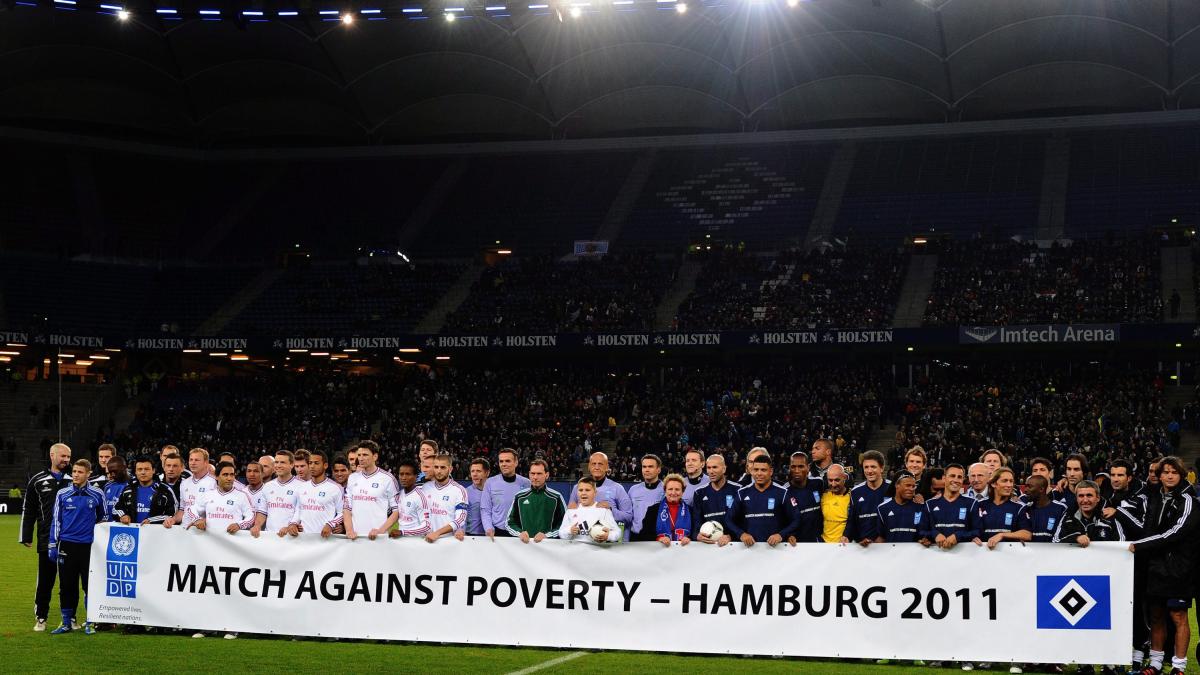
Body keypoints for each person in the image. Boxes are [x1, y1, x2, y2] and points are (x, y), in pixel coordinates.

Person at [1129, 456, 1197, 675]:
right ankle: (1156, 663)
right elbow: (1148, 527)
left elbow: (1174, 533)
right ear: (1159, 475)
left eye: (1174, 472)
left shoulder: (1188, 500)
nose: (1169, 476)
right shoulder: (1153, 497)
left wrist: (1139, 545)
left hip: (1178, 568)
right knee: (1156, 615)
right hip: (1154, 566)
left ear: (1181, 475)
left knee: (1178, 616)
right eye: (1165, 472)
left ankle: (1178, 666)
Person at [183, 461, 254, 641]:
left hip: (233, 550)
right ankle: (208, 626)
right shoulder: (208, 495)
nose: (230, 478)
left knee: (231, 588)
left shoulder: (241, 496)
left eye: (232, 475)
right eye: (225, 475)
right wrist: (199, 519)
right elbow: (191, 510)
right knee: (210, 588)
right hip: (210, 550)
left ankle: (232, 627)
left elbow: (251, 517)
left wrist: (239, 524)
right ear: (217, 476)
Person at [48, 459, 106, 635]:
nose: (75, 475)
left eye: (80, 472)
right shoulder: (62, 494)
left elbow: (103, 519)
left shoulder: (97, 494)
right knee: (67, 585)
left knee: (90, 586)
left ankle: (90, 621)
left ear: (88, 474)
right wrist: (52, 543)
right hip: (67, 544)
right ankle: (67, 621)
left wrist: (99, 541)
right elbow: (56, 520)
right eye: (74, 471)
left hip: (89, 547)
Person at [20, 442, 71, 632]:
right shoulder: (37, 480)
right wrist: (26, 534)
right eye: (63, 456)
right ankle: (41, 617)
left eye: (68, 457)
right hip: (46, 539)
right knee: (45, 582)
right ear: (52, 455)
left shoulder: (74, 479)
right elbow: (29, 509)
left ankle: (70, 617)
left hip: (70, 540)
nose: (66, 460)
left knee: (69, 582)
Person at [728, 453, 795, 547]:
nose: (759, 473)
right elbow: (728, 519)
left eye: (763, 470)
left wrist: (781, 535)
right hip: (749, 550)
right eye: (756, 470)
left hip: (776, 550)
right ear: (751, 471)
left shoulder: (783, 493)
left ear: (771, 471)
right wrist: (741, 534)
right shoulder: (742, 493)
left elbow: (796, 519)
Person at [344, 440, 399, 541]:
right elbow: (347, 508)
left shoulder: (387, 478)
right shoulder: (352, 478)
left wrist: (380, 531)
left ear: (375, 456)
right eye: (359, 455)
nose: (361, 458)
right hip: (355, 538)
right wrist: (349, 530)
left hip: (378, 538)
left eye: (365, 455)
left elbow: (396, 511)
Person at [568, 452, 633, 537]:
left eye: (600, 464)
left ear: (607, 467)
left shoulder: (617, 488)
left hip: (609, 542)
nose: (597, 467)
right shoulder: (577, 488)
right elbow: (569, 517)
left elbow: (628, 517)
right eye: (593, 464)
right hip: (583, 541)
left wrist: (611, 510)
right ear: (589, 467)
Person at [506, 459, 566, 543]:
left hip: (548, 548)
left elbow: (565, 524)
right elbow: (509, 523)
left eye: (539, 474)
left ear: (547, 475)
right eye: (532, 473)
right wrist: (520, 533)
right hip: (524, 547)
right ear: (529, 475)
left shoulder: (556, 497)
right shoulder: (519, 497)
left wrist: (547, 535)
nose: (535, 477)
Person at [1053, 480, 1125, 545]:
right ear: (1076, 499)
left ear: (1098, 498)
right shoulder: (1068, 516)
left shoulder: (1109, 517)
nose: (1085, 500)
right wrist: (1076, 538)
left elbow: (1122, 543)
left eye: (1089, 495)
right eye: (1081, 496)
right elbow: (1055, 542)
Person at [481, 448, 530, 540]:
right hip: (497, 532)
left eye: (508, 461)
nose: (504, 464)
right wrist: (488, 527)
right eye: (501, 461)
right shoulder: (490, 482)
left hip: (520, 533)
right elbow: (485, 509)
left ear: (516, 463)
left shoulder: (527, 483)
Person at [691, 453, 739, 545]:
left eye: (715, 467)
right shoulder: (699, 493)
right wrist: (697, 535)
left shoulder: (737, 490)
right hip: (708, 545)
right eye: (708, 468)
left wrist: (731, 536)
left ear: (724, 469)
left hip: (733, 545)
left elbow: (743, 520)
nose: (711, 471)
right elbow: (697, 521)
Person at [293, 450, 342, 538]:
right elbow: (299, 510)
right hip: (303, 537)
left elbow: (342, 513)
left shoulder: (335, 488)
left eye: (316, 463)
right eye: (310, 463)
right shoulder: (301, 487)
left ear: (325, 465)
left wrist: (331, 524)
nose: (312, 466)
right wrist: (293, 523)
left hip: (325, 538)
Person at [845, 450, 890, 546]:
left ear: (882, 468)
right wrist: (846, 536)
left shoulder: (893, 489)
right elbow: (852, 520)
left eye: (873, 467)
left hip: (888, 547)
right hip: (863, 548)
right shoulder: (855, 492)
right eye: (866, 467)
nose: (869, 471)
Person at [114, 457, 177, 525]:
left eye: (146, 469)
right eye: (139, 469)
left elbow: (173, 514)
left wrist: (152, 520)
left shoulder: (165, 490)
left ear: (153, 470)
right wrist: (123, 516)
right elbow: (116, 509)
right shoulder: (128, 490)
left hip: (156, 533)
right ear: (135, 471)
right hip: (133, 533)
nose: (143, 472)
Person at [163, 448, 216, 529]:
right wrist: (173, 519)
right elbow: (182, 509)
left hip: (204, 532)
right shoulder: (184, 483)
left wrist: (204, 521)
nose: (193, 463)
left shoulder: (213, 483)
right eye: (191, 460)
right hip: (185, 530)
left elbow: (216, 511)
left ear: (206, 463)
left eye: (197, 460)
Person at [420, 453, 468, 543]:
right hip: (426, 540)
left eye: (442, 467)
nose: (438, 471)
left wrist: (437, 533)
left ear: (450, 469)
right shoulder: (425, 487)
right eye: (436, 467)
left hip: (448, 541)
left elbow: (460, 518)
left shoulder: (459, 490)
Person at [924, 464, 974, 550]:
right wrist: (935, 534)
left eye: (959, 477)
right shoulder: (929, 504)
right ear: (944, 478)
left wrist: (958, 536)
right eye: (952, 476)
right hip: (935, 555)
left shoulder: (972, 504)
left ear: (963, 480)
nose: (956, 480)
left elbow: (978, 531)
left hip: (964, 555)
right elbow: (921, 531)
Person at [560, 477, 621, 544]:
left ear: (595, 492)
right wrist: (569, 530)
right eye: (580, 490)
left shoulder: (603, 510)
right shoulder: (571, 510)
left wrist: (608, 536)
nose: (583, 493)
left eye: (587, 490)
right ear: (577, 492)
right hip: (576, 552)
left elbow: (617, 532)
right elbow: (561, 533)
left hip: (597, 551)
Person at [783, 451, 823, 544]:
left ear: (808, 467)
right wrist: (789, 535)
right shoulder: (784, 491)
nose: (797, 470)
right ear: (789, 468)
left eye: (801, 466)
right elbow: (781, 519)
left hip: (820, 542)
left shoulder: (818, 483)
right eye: (793, 467)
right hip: (796, 544)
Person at [258, 450, 300, 537]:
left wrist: (290, 526)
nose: (278, 465)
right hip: (270, 536)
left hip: (291, 536)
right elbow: (262, 511)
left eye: (283, 462)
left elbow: (300, 511)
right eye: (276, 462)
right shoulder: (268, 486)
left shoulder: (301, 486)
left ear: (292, 465)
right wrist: (257, 526)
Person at [876, 473, 926, 543]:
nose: (911, 489)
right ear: (897, 485)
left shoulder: (920, 507)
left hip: (914, 552)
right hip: (891, 552)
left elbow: (925, 534)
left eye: (913, 486)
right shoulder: (883, 508)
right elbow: (881, 536)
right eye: (908, 485)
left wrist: (925, 540)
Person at [389, 460, 431, 539]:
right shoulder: (400, 494)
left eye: (408, 474)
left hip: (415, 542)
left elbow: (427, 527)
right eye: (401, 474)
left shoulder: (421, 497)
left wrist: (403, 532)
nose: (404, 477)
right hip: (400, 541)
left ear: (415, 476)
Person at [627, 454, 664, 538]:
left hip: (658, 538)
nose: (646, 470)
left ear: (658, 470)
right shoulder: (633, 490)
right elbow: (628, 515)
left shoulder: (667, 490)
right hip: (635, 537)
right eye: (644, 467)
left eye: (650, 467)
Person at [1023, 475, 1067, 543]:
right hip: (1029, 552)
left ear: (1041, 489)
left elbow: (1062, 536)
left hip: (1053, 552)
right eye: (1025, 486)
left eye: (1029, 487)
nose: (1025, 490)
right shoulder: (1025, 509)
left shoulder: (1060, 508)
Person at [820, 464, 852, 543]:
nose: (833, 484)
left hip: (844, 545)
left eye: (837, 480)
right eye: (830, 480)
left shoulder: (852, 497)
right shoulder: (823, 496)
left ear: (844, 477)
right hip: (823, 543)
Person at [463, 458, 489, 537]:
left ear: (487, 473)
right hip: (471, 536)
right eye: (472, 471)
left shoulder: (494, 491)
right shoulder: (465, 492)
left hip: (492, 536)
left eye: (478, 471)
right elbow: (462, 516)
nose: (474, 474)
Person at [102, 456, 129, 521]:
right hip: (107, 527)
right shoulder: (107, 486)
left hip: (127, 526)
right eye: (110, 472)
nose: (112, 474)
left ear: (124, 468)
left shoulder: (133, 485)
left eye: (115, 471)